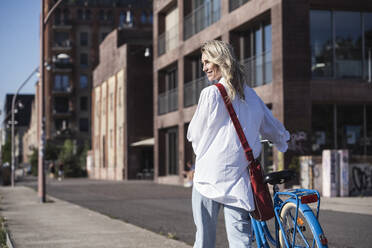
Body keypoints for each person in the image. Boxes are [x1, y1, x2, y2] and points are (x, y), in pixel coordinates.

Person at [187, 40, 290, 248]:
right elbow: (273, 128)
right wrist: (283, 142)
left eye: (207, 62)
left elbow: (194, 135)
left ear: (219, 60)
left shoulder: (211, 94)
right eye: (202, 63)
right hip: (239, 179)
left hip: (208, 177)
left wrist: (204, 152)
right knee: (241, 241)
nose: (204, 67)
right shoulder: (251, 96)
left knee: (204, 241)